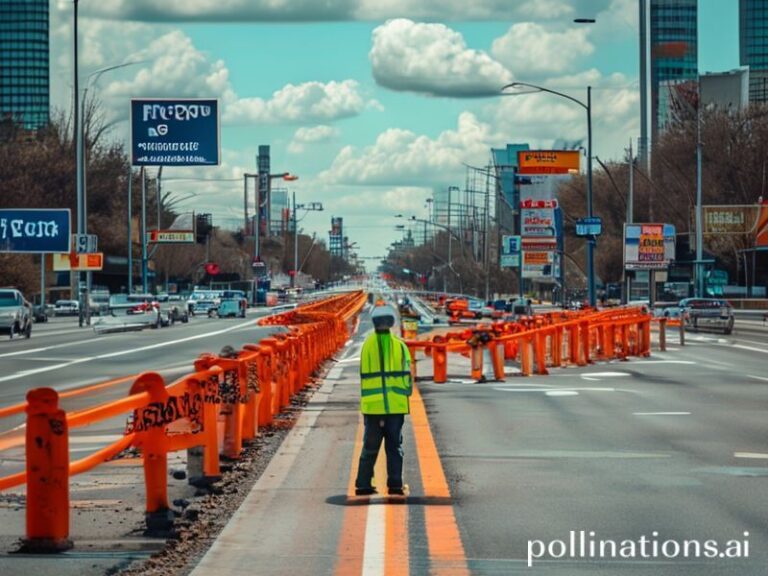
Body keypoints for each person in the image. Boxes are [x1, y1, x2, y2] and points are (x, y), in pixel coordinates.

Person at [355, 304, 412, 496]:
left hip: (372, 407)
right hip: (395, 407)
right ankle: (395, 485)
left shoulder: (367, 346)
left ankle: (363, 484)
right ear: (391, 322)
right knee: (394, 447)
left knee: (370, 447)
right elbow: (407, 377)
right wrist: (404, 393)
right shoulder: (400, 346)